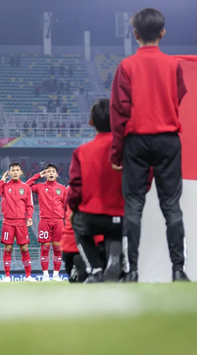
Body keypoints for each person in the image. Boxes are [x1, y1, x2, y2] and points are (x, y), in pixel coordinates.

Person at [110, 8, 189, 282]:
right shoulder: (173, 64)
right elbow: (178, 96)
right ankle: (178, 270)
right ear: (163, 33)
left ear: (135, 35)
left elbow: (119, 112)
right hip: (168, 139)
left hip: (136, 141)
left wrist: (117, 152)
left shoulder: (126, 67)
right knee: (171, 205)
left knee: (133, 205)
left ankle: (132, 272)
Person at [68, 99, 124, 283]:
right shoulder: (125, 149)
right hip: (120, 215)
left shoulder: (82, 151)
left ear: (91, 122)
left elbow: (76, 186)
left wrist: (74, 208)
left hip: (93, 216)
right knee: (114, 232)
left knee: (79, 225)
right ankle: (113, 260)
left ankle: (95, 269)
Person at [26, 163, 67, 281]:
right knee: (45, 248)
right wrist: (38, 175)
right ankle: (45, 275)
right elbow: (26, 186)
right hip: (44, 221)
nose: (51, 173)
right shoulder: (40, 187)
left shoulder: (62, 189)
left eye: (53, 171)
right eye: (48, 171)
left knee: (57, 248)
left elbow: (65, 206)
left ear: (57, 174)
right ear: (45, 174)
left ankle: (56, 275)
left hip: (59, 221)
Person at [0, 163, 36, 282]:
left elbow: (29, 205)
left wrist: (29, 217)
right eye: (12, 170)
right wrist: (1, 181)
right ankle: (7, 276)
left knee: (24, 249)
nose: (15, 172)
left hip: (21, 222)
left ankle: (28, 276)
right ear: (9, 173)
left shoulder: (26, 188)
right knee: (8, 248)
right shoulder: (4, 186)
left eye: (17, 170)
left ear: (21, 172)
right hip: (7, 222)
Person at [61, 205, 104, 283]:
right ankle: (97, 270)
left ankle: (74, 271)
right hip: (94, 243)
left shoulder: (72, 200)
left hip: (68, 243)